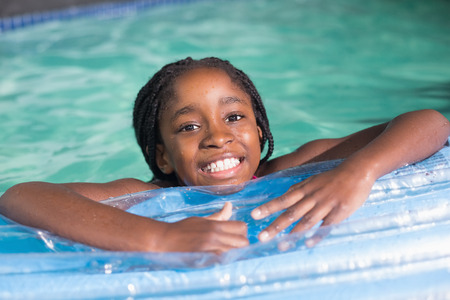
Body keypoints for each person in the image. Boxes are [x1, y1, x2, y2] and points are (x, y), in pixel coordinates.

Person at [0, 57, 449, 254]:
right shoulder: (147, 194)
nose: (218, 137)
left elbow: (430, 122)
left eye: (234, 118)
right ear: (163, 158)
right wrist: (159, 238)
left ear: (259, 130)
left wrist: (359, 171)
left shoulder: (293, 166)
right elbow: (24, 195)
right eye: (189, 127)